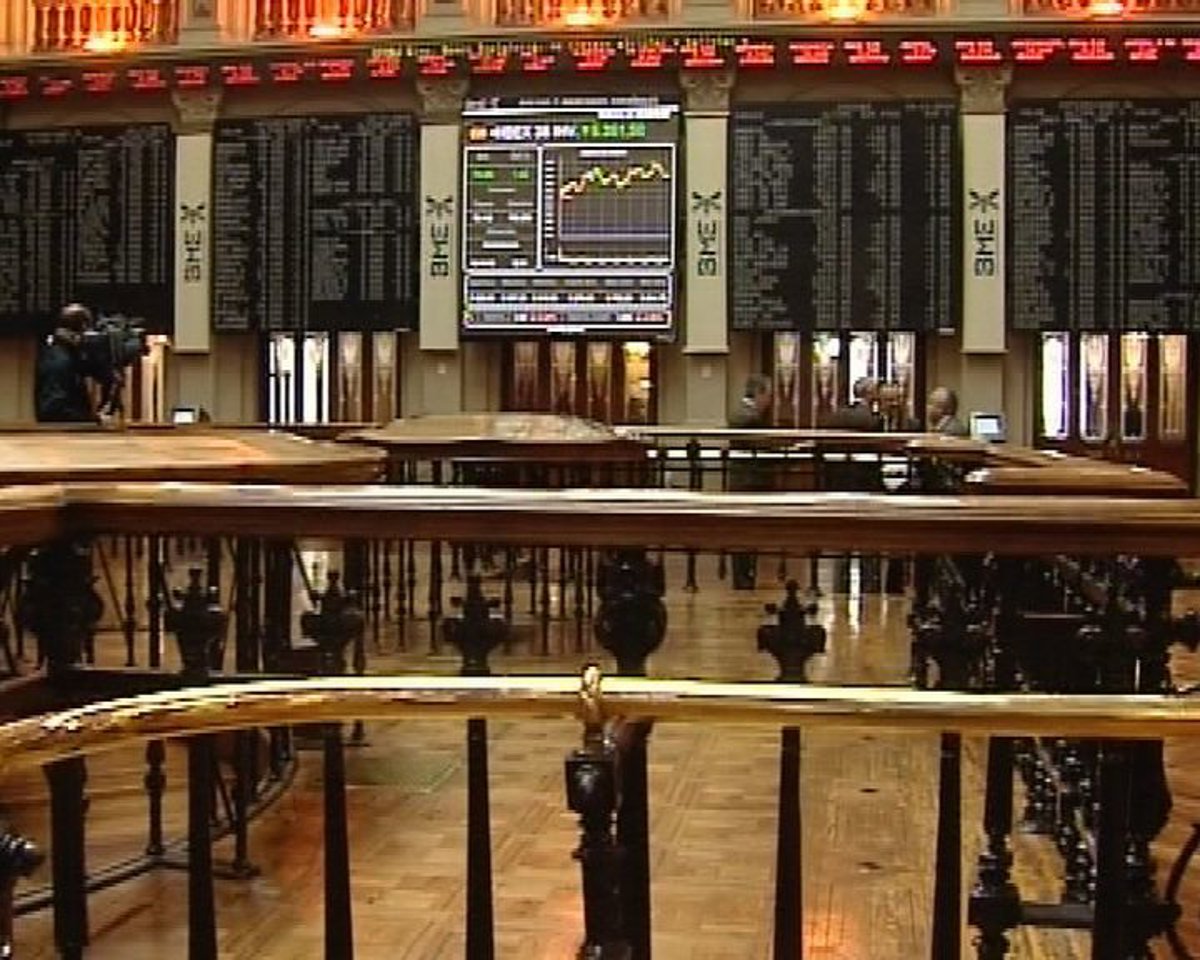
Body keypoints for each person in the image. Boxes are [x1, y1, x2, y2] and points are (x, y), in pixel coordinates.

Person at [728, 374, 773, 590]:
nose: (769, 401)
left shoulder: (741, 413)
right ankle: (743, 577)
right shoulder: (748, 417)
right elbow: (763, 447)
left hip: (743, 479)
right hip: (747, 481)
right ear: (758, 393)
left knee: (745, 532)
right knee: (745, 532)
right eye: (768, 395)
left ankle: (745, 576)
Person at [35, 304, 97, 424]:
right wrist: (90, 421)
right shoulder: (59, 360)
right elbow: (52, 410)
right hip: (62, 432)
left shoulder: (64, 354)